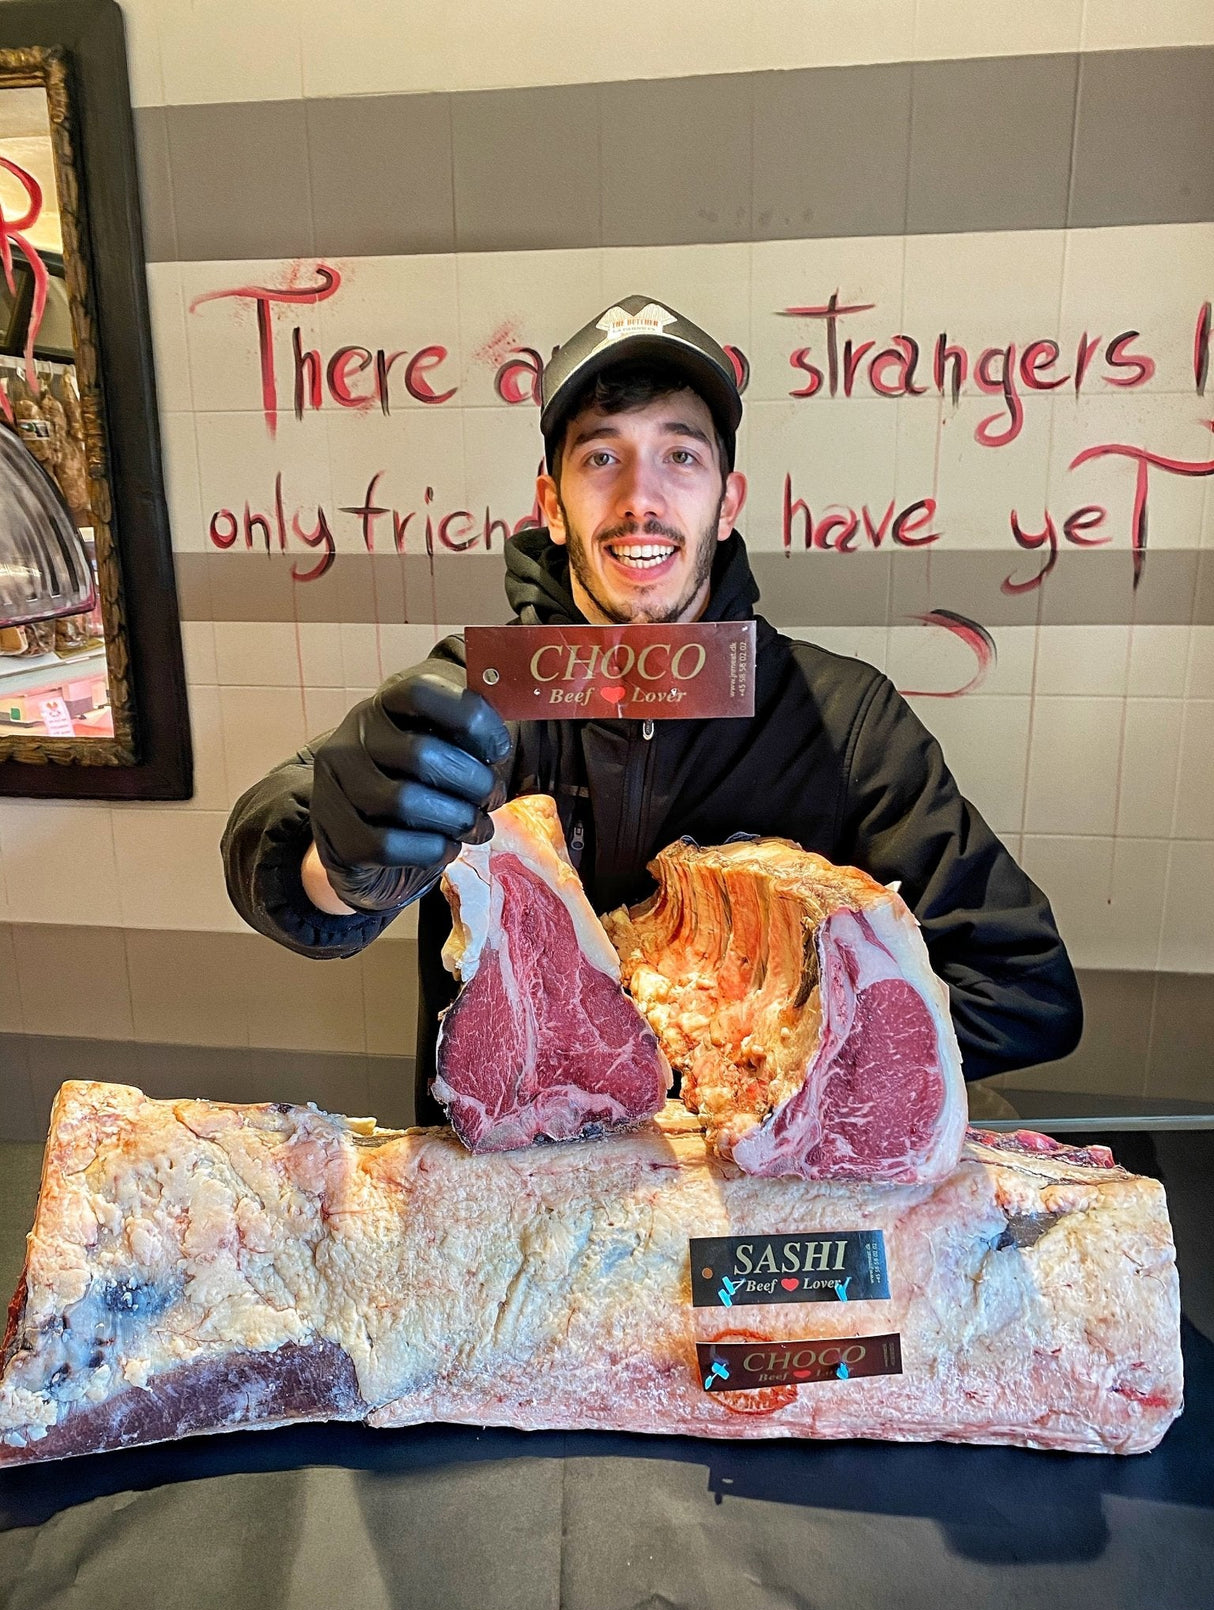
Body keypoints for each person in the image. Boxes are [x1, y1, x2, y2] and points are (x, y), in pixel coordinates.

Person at [222, 294, 1082, 1124]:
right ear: (552, 507)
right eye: (602, 456)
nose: (642, 496)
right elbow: (281, 848)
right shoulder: (480, 698)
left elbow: (1021, 985)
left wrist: (768, 1052)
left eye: (681, 455)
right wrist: (336, 867)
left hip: (758, 1213)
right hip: (521, 1200)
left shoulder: (845, 719)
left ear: (727, 500)